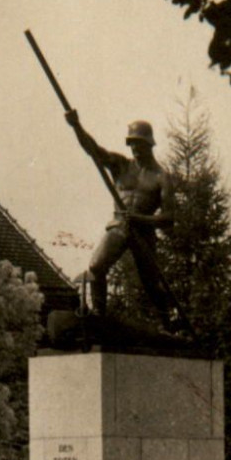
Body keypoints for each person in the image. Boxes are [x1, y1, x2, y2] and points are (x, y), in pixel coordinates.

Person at [64, 112, 180, 325]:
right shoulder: (121, 165)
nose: (134, 148)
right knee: (97, 266)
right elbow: (94, 150)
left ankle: (169, 324)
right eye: (131, 144)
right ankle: (99, 315)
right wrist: (76, 126)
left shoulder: (161, 177)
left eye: (139, 144)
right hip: (119, 227)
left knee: (151, 284)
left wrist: (140, 218)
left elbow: (169, 218)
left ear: (150, 144)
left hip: (143, 233)